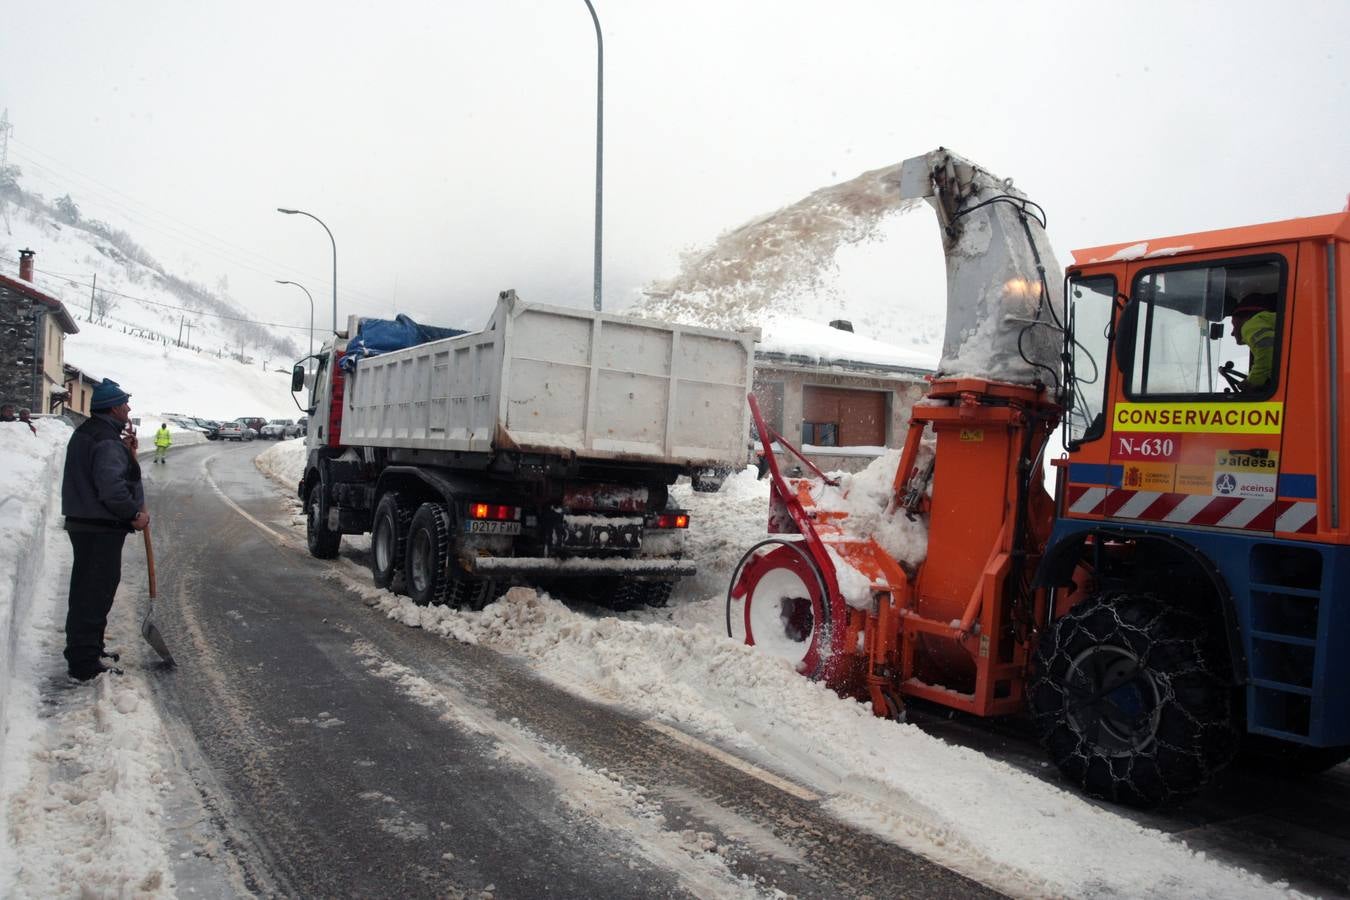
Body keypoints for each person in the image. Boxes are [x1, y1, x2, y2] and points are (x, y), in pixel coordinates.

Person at [60, 378, 150, 681]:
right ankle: (84, 663)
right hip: (99, 528)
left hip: (88, 525)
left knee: (90, 590)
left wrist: (126, 451)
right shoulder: (105, 440)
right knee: (94, 593)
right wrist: (134, 514)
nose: (128, 407)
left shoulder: (95, 434)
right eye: (124, 403)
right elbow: (111, 490)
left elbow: (108, 472)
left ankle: (89, 649)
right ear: (113, 408)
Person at [1229, 296, 1277, 392]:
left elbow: (1267, 350)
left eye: (1233, 325)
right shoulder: (1264, 321)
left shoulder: (1251, 324)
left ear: (1246, 317)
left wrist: (1252, 382)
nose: (1232, 333)